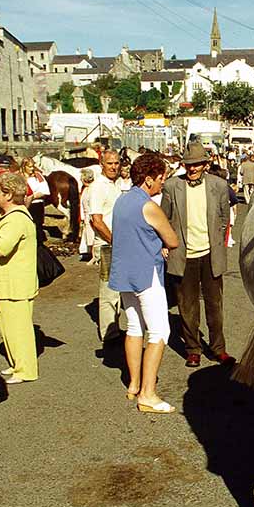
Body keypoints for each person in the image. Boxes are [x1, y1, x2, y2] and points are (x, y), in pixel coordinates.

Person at [109, 152, 179, 412]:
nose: (162, 183)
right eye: (160, 178)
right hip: (146, 274)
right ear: (149, 179)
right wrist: (160, 242)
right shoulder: (149, 206)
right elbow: (172, 240)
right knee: (160, 331)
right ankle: (148, 394)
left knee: (134, 327)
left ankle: (134, 384)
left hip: (124, 273)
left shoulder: (121, 200)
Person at [161, 141, 235, 368]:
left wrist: (217, 241)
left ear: (205, 164)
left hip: (210, 254)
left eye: (197, 164)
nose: (192, 169)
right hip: (183, 255)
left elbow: (224, 218)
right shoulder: (172, 186)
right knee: (187, 306)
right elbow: (164, 218)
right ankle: (193, 349)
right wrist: (166, 244)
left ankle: (218, 349)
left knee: (215, 306)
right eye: (188, 165)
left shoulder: (219, 185)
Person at [0, 172, 39, 384]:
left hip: (14, 285)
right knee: (8, 328)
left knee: (18, 330)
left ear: (8, 194)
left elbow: (2, 248)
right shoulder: (9, 216)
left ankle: (26, 370)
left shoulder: (16, 219)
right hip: (5, 284)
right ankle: (17, 364)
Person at [89, 149, 126, 342]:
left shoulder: (116, 184)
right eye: (110, 163)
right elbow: (96, 221)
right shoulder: (98, 187)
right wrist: (114, 241)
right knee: (109, 291)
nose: (114, 167)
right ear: (101, 164)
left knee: (118, 290)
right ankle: (108, 334)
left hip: (116, 242)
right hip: (107, 244)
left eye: (116, 163)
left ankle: (114, 327)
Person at [21, 157, 50, 242]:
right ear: (24, 166)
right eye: (29, 167)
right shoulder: (19, 176)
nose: (32, 168)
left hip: (36, 204)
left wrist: (32, 196)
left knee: (38, 226)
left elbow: (45, 190)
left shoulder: (38, 176)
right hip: (23, 204)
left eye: (33, 166)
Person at [79, 168, 96, 262]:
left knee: (93, 237)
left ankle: (94, 256)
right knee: (88, 236)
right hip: (86, 216)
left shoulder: (93, 190)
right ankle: (90, 254)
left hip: (91, 216)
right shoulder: (85, 189)